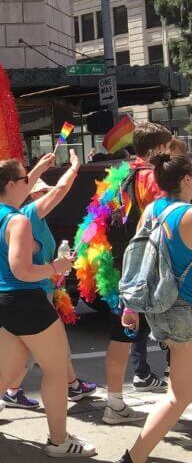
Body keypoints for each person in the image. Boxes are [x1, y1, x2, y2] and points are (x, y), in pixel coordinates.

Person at [0, 158, 95, 457]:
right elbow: (22, 270)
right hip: (23, 300)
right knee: (56, 369)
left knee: (6, 371)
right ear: (12, 184)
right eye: (26, 179)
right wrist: (54, 267)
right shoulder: (19, 221)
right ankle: (59, 442)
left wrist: (37, 169)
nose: (30, 183)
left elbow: (20, 188)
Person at [0, 154, 97, 410]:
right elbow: (62, 189)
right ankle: (12, 392)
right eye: (38, 191)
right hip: (30, 291)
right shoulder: (28, 214)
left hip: (34, 289)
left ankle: (72, 384)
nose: (43, 195)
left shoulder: (22, 215)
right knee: (40, 348)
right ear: (29, 194)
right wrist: (74, 167)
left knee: (42, 345)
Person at [117, 153, 192, 463]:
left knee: (179, 393)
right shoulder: (187, 215)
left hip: (160, 307)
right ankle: (134, 457)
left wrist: (129, 306)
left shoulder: (153, 209)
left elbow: (136, 258)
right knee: (179, 396)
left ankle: (135, 457)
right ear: (187, 180)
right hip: (185, 311)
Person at [101, 123, 173, 426]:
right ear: (157, 149)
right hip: (151, 268)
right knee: (175, 335)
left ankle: (114, 402)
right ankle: (176, 400)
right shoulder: (154, 179)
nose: (169, 152)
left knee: (122, 336)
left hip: (124, 264)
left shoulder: (121, 177)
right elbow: (166, 222)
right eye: (167, 147)